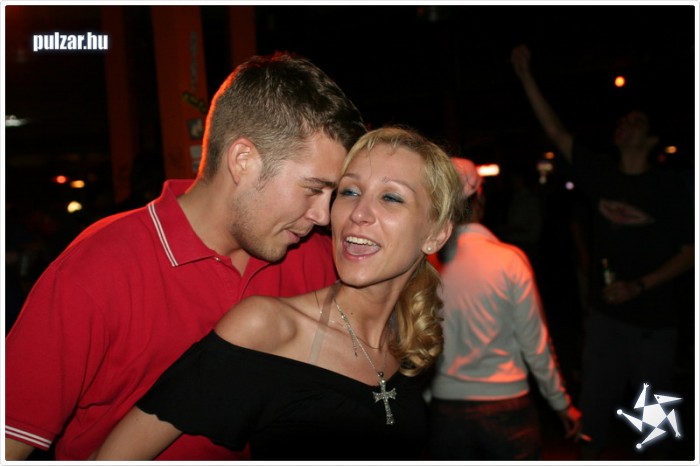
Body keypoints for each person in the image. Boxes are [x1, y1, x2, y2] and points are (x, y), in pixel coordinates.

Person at [4, 52, 366, 461]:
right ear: (243, 160)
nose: (323, 216)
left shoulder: (317, 260)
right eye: (313, 189)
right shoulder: (96, 270)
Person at [92, 126, 463, 461]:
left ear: (436, 234)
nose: (359, 213)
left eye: (391, 198)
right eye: (349, 191)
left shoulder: (407, 337)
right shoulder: (267, 328)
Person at [511, 44, 694, 459]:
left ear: (651, 139)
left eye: (636, 121)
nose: (625, 124)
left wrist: (638, 285)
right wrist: (525, 76)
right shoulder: (602, 174)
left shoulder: (667, 188)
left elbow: (691, 253)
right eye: (623, 120)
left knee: (654, 427)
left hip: (653, 324)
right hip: (605, 321)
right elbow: (557, 132)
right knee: (592, 412)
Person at [428, 157, 582, 460]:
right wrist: (561, 403)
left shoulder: (426, 265)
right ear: (480, 199)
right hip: (507, 406)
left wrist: (429, 395)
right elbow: (535, 345)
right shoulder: (509, 260)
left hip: (446, 409)